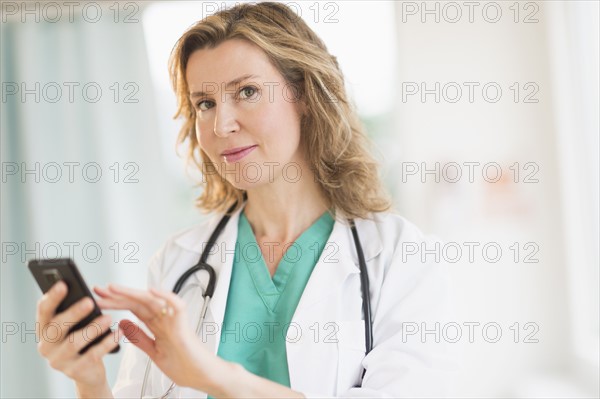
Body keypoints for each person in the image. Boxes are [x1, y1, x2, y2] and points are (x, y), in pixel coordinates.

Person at [35, 2, 456, 398]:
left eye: (247, 92)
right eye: (205, 103)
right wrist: (88, 381)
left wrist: (219, 377)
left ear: (304, 96)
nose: (222, 123)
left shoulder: (401, 257)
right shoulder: (179, 261)